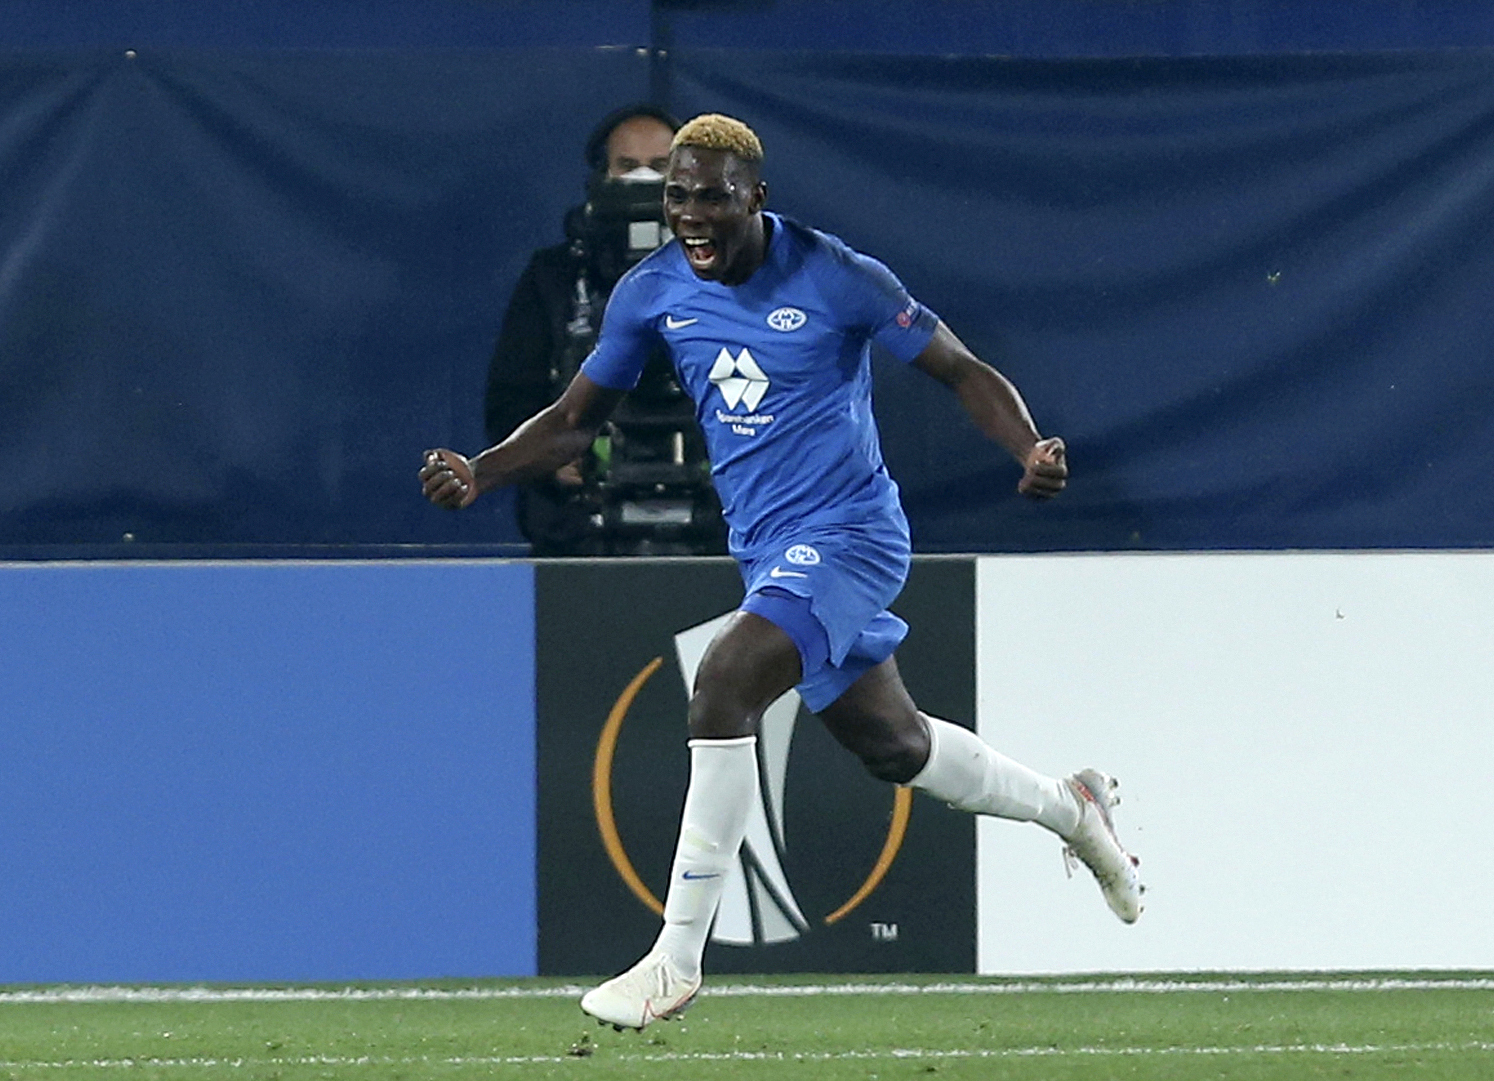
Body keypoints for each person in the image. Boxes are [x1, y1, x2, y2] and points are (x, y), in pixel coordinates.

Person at [422, 113, 1143, 1030]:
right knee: (895, 746)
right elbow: (573, 420)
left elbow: (960, 370)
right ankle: (1070, 806)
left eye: (711, 196)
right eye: (677, 195)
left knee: (725, 678)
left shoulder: (837, 275)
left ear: (755, 196)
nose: (690, 214)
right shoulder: (650, 292)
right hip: (769, 548)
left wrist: (1028, 445)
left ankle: (673, 959)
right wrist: (481, 471)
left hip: (852, 532)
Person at [484, 103, 723, 555]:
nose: (644, 181)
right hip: (582, 536)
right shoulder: (554, 277)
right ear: (601, 177)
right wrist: (548, 459)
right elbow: (508, 400)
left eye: (660, 168)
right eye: (628, 167)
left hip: (722, 537)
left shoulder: (740, 272)